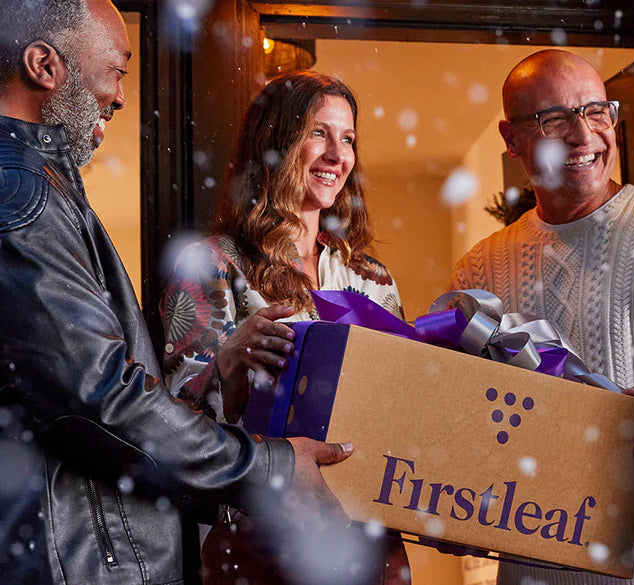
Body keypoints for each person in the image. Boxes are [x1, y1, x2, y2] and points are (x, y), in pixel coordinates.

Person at [0, 2, 352, 584]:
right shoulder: (24, 197)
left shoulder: (40, 189)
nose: (119, 96)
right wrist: (270, 467)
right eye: (115, 71)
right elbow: (102, 399)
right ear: (45, 66)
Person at [449, 49, 634, 585]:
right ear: (512, 137)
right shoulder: (480, 267)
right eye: (554, 119)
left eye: (596, 111)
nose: (583, 134)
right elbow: (459, 411)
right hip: (531, 563)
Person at [160, 71, 408, 585]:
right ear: (273, 144)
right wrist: (229, 360)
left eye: (348, 139)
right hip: (256, 538)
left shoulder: (374, 280)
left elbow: (399, 413)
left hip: (364, 535)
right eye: (318, 133)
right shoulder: (211, 265)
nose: (337, 155)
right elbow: (169, 425)